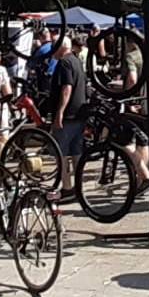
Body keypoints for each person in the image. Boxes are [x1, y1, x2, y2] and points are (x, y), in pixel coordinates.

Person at [48, 34, 89, 196]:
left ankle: (66, 187)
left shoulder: (64, 63)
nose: (52, 49)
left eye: (54, 45)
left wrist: (59, 112)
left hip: (68, 115)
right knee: (76, 152)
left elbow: (67, 88)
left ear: (60, 47)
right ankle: (78, 187)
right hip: (79, 113)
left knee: (62, 153)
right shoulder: (76, 60)